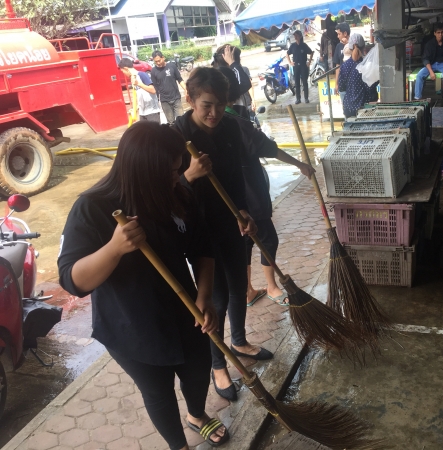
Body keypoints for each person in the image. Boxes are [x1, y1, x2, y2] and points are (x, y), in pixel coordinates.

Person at [57, 121, 229, 448]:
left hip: (186, 313)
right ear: (145, 171)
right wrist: (114, 248)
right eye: (170, 172)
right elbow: (73, 280)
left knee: (198, 371)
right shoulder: (92, 207)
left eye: (177, 169)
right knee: (158, 391)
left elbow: (202, 248)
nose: (177, 177)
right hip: (132, 327)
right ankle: (178, 445)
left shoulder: (176, 194)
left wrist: (205, 295)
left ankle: (196, 415)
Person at [175, 68, 272, 403]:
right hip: (199, 232)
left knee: (238, 285)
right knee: (216, 299)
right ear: (190, 99)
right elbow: (163, 194)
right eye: (207, 105)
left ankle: (239, 341)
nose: (214, 112)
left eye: (220, 104)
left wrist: (243, 210)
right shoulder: (177, 135)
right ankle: (218, 364)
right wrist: (189, 175)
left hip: (230, 221)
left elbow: (234, 177)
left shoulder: (230, 127)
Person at [214, 67, 315, 306]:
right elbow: (269, 148)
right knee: (267, 238)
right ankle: (271, 286)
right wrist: (300, 164)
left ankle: (247, 290)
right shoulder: (236, 123)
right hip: (249, 193)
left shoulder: (221, 121)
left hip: (230, 197)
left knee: (245, 241)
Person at [414, 22, 443, 105]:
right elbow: (425, 59)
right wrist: (431, 72)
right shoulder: (429, 44)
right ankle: (417, 98)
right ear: (434, 33)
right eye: (438, 33)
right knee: (419, 75)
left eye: (442, 32)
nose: (440, 35)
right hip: (431, 64)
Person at [338, 34, 372, 118]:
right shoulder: (366, 65)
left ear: (349, 48)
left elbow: (341, 87)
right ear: (363, 47)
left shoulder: (344, 66)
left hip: (348, 108)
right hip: (365, 109)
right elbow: (370, 88)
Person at [118, 58, 161, 122]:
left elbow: (153, 90)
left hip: (152, 112)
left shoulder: (141, 75)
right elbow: (140, 95)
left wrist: (138, 84)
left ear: (126, 69)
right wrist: (135, 108)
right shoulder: (133, 78)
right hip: (143, 113)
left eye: (123, 71)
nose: (124, 74)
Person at [150, 51, 187, 125]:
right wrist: (157, 101)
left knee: (181, 121)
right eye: (156, 62)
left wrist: (186, 89)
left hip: (176, 98)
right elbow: (155, 87)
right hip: (164, 101)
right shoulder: (153, 71)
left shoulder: (172, 66)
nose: (158, 63)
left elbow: (179, 79)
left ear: (163, 58)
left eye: (159, 60)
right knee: (171, 123)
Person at [286, 30, 314, 104]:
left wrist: (309, 62)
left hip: (303, 66)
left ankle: (306, 98)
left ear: (300, 36)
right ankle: (298, 99)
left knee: (305, 82)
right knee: (297, 83)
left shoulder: (304, 45)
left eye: (296, 35)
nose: (295, 37)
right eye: (294, 35)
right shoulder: (293, 46)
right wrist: (290, 62)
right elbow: (287, 54)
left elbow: (311, 52)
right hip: (296, 66)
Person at [333, 22, 351, 101]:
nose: (338, 36)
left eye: (339, 34)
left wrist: (348, 44)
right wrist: (336, 83)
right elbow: (337, 66)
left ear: (345, 33)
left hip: (353, 82)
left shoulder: (354, 44)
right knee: (345, 106)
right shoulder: (338, 46)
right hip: (343, 82)